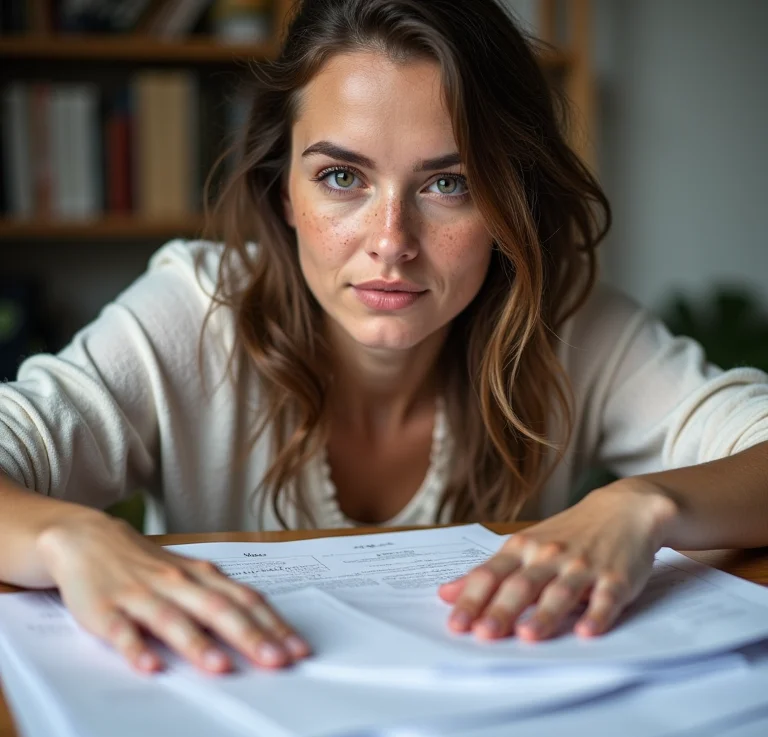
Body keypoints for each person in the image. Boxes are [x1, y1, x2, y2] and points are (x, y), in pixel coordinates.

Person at [1, 0, 767, 677]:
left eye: (449, 183)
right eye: (342, 177)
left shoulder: (567, 323)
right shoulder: (192, 314)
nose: (391, 242)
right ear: (284, 190)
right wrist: (68, 536)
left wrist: (643, 506)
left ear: (510, 205)